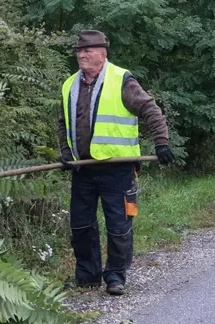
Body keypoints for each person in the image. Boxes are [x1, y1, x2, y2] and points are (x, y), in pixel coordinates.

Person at [58, 30, 174, 296]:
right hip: (83, 169)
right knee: (81, 226)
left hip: (117, 169)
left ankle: (115, 277)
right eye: (79, 51)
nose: (82, 55)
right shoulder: (68, 85)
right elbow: (62, 123)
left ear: (103, 53)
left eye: (88, 50)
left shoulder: (121, 80)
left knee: (119, 226)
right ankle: (87, 277)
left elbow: (150, 109)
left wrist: (161, 143)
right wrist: (65, 152)